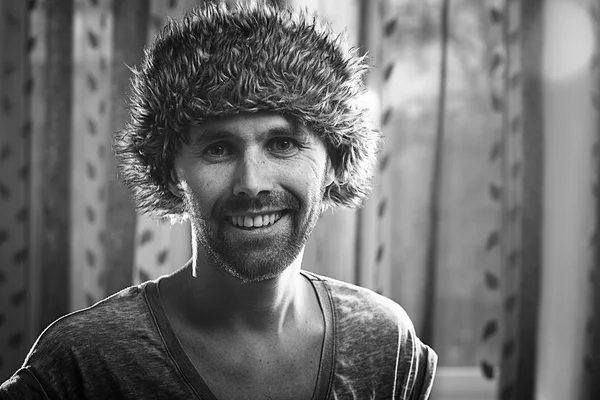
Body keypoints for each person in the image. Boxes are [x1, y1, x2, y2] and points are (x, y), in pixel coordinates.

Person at [0, 2, 437, 399]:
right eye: (218, 149)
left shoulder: (384, 343)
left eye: (282, 143)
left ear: (334, 162)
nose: (251, 183)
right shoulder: (85, 360)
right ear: (171, 173)